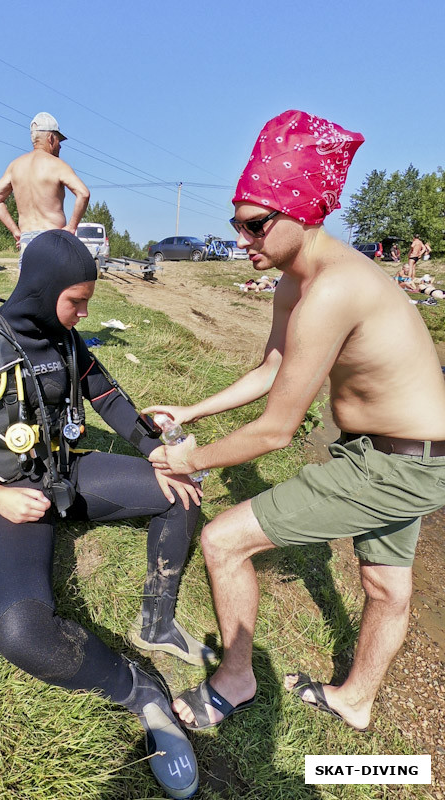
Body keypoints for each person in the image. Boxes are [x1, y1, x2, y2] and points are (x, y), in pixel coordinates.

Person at [145, 109, 445, 734]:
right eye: (237, 226)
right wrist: (191, 412)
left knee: (223, 541)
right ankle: (355, 700)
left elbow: (278, 430)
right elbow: (272, 371)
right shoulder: (295, 280)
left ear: (305, 214)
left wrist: (188, 460)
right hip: (394, 454)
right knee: (386, 587)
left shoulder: (334, 289)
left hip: (402, 462)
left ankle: (236, 679)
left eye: (256, 226)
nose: (243, 240)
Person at [0, 230, 210, 799]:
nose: (84, 312)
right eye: (76, 300)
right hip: (2, 494)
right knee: (22, 633)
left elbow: (104, 393)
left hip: (62, 471)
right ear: (41, 290)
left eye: (87, 301)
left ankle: (158, 622)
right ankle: (138, 690)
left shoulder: (65, 338)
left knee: (180, 489)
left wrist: (152, 449)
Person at [0, 112, 90, 269]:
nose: (60, 145)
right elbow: (83, 193)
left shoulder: (15, 166)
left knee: (31, 293)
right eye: (58, 140)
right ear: (50, 138)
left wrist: (16, 231)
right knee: (55, 292)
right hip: (52, 239)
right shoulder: (57, 165)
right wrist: (71, 227)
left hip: (27, 241)